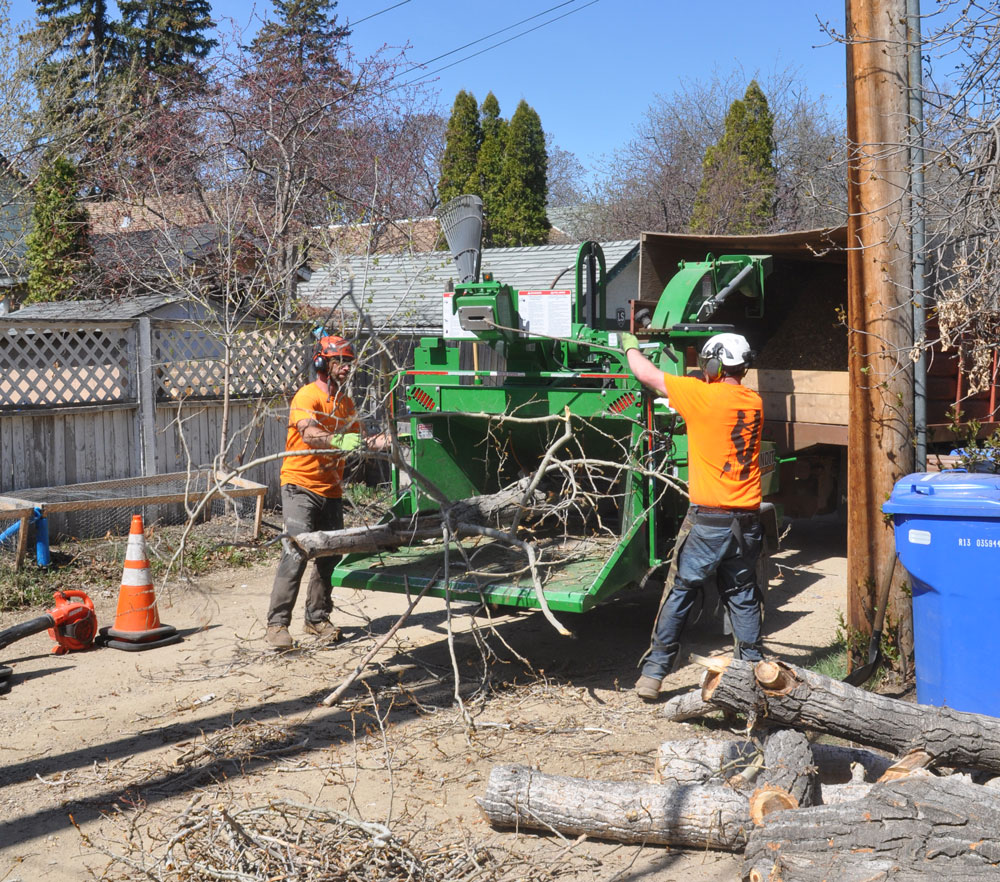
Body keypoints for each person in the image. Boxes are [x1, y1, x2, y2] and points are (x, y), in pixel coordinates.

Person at [621, 331, 765, 701]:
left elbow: (646, 375)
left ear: (714, 363)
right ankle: (754, 673)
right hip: (747, 521)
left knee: (681, 591)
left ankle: (654, 674)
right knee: (742, 594)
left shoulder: (701, 395)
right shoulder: (754, 402)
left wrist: (629, 345)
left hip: (710, 521)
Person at [265, 334, 384, 650]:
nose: (345, 368)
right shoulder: (307, 396)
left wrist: (390, 442)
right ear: (321, 362)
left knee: (330, 555)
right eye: (338, 361)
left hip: (331, 488)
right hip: (300, 485)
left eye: (348, 362)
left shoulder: (345, 403)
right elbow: (310, 433)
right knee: (297, 552)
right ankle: (277, 625)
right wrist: (340, 441)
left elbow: (361, 440)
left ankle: (316, 618)